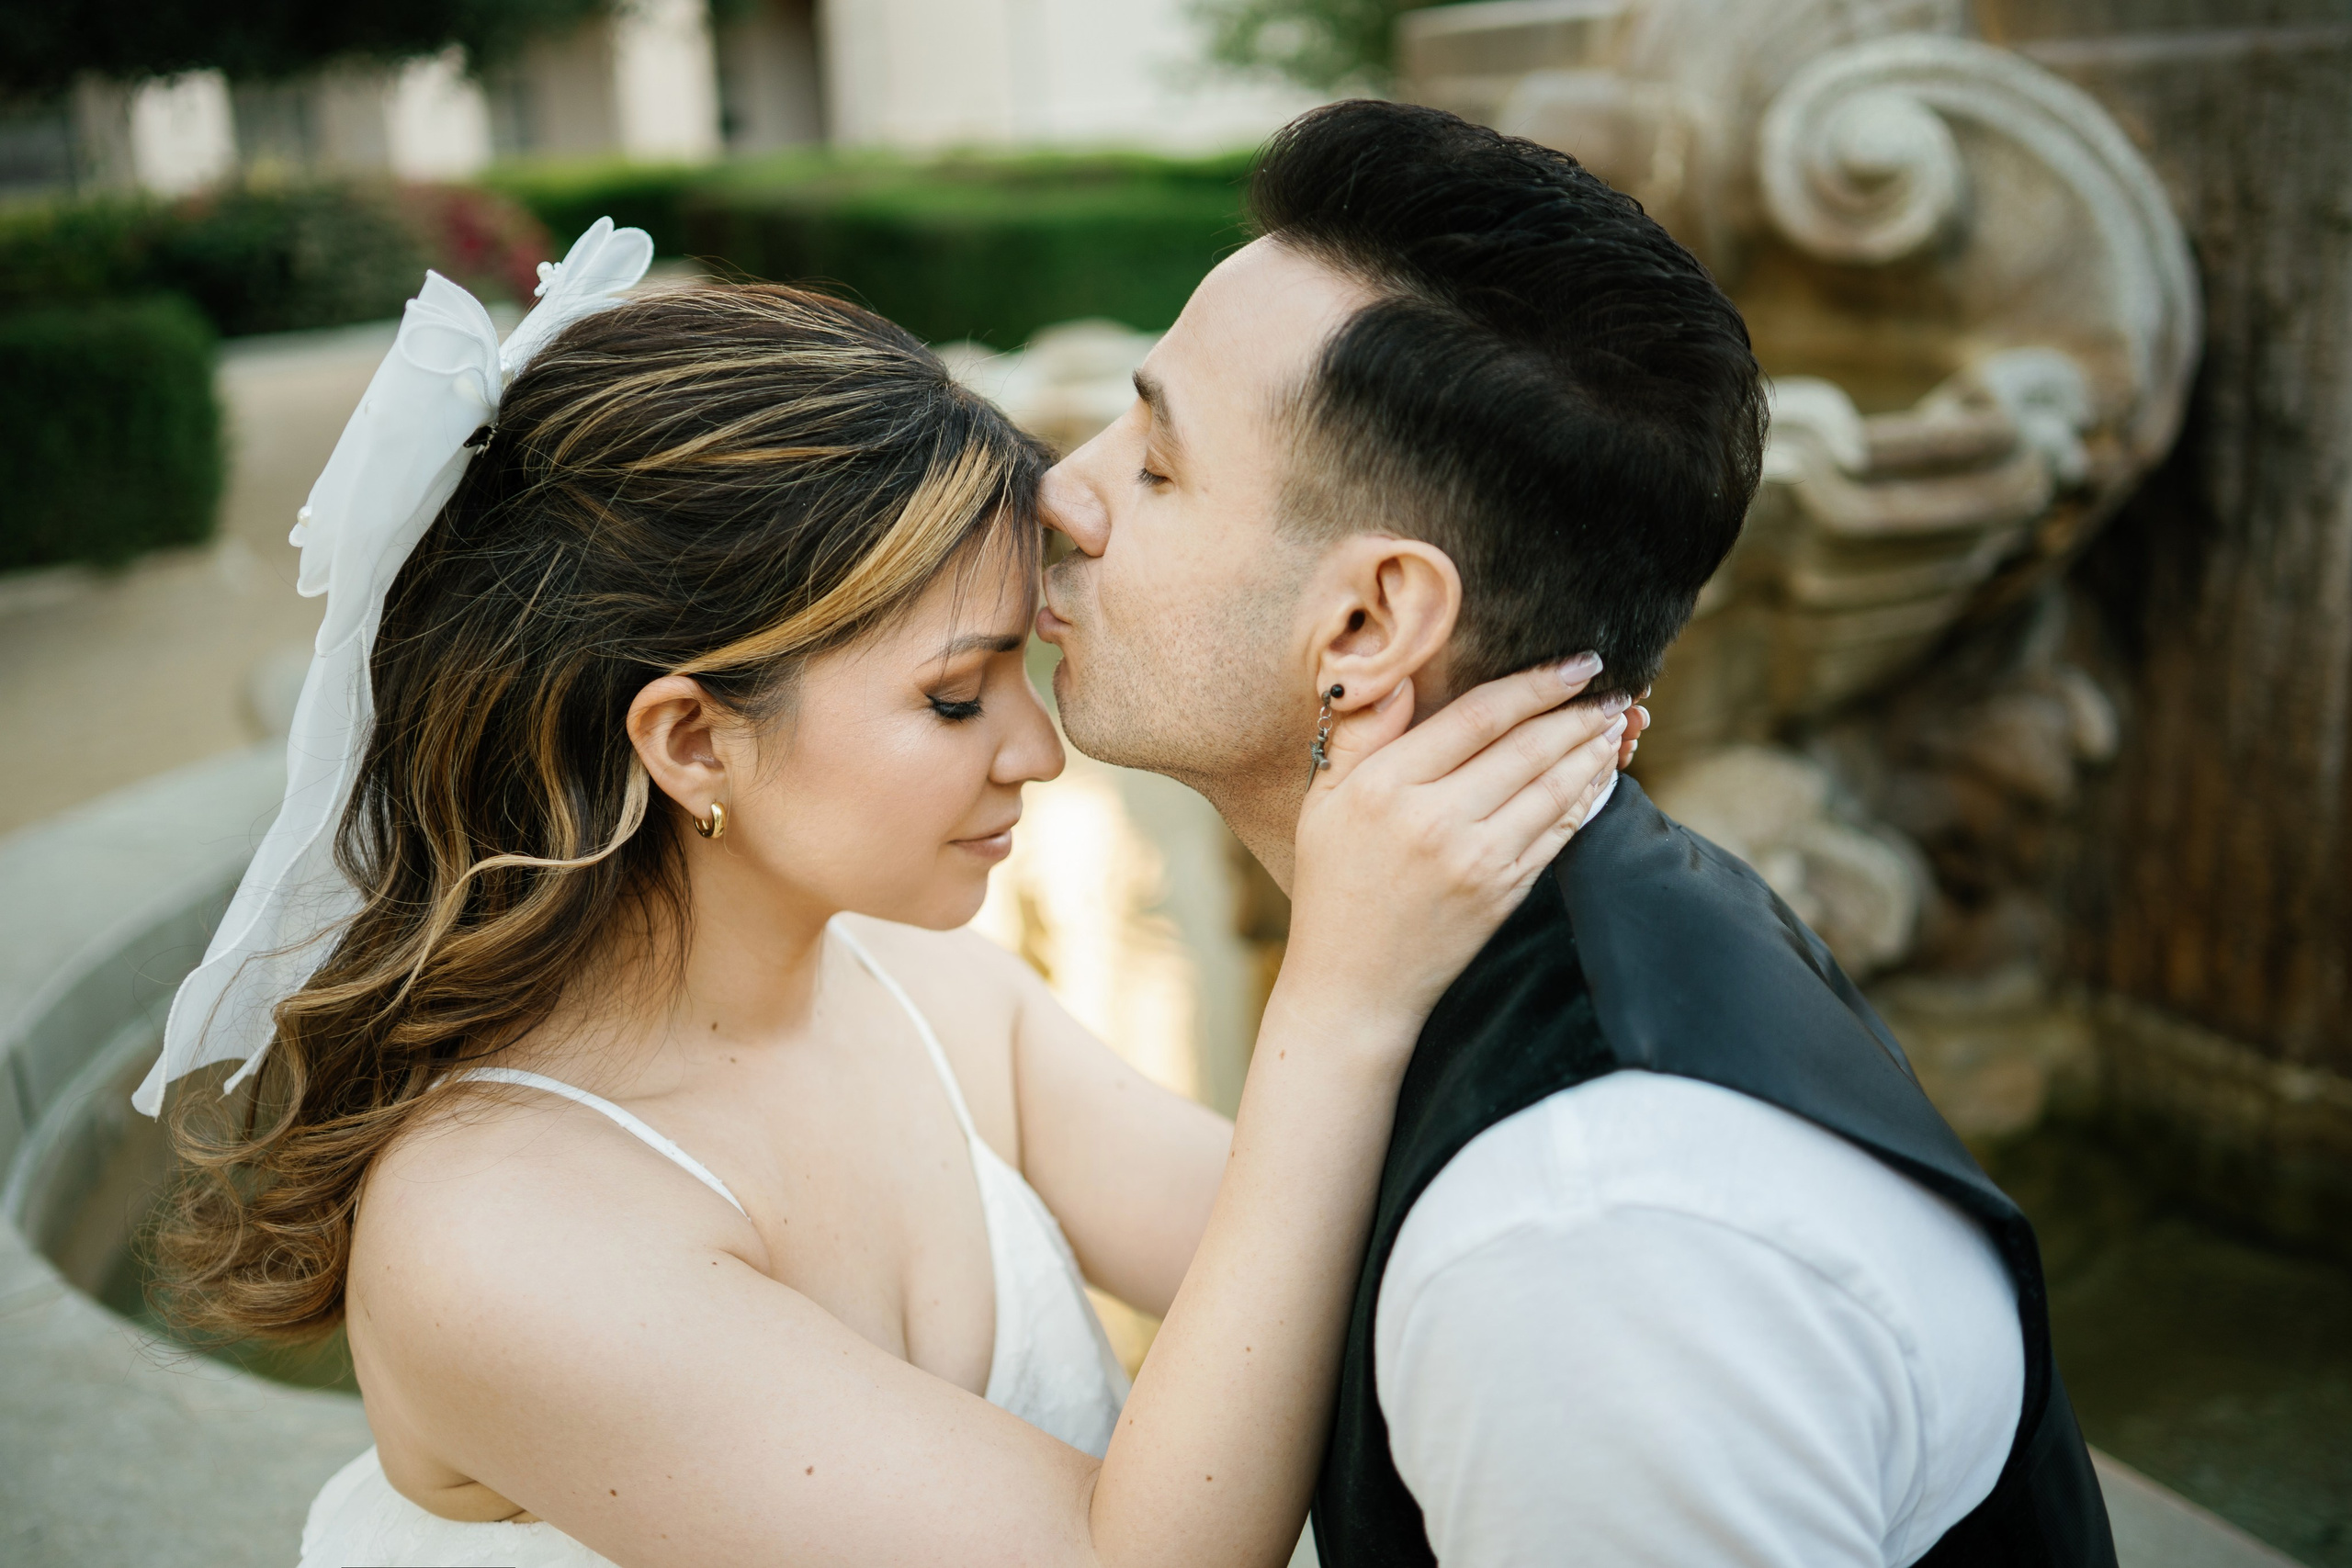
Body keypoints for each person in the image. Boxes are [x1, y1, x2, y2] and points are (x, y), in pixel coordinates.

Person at [136, 220, 1632, 1567]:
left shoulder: (940, 1004)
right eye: (954, 698)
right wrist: (1343, 989)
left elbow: (1356, 1263)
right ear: (691, 738)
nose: (1040, 750)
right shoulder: (499, 1231)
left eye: (1019, 671)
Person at [1037, 100, 2115, 1567]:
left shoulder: (1586, 1247)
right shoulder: (1567, 922)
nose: (1064, 488)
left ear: (1365, 624)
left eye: (1157, 466)